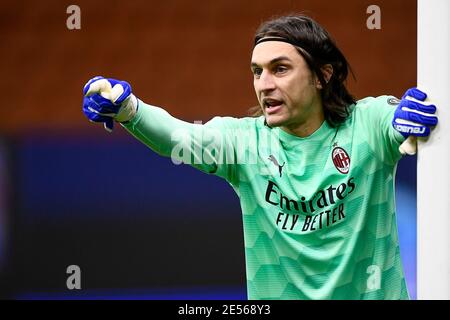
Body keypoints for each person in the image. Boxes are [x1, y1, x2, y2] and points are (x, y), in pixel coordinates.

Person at [82, 15, 438, 300]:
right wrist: (129, 109)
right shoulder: (244, 144)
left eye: (280, 69)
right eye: (257, 71)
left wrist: (410, 120)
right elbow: (177, 136)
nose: (264, 83)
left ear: (322, 75)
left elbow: (397, 120)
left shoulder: (367, 125)